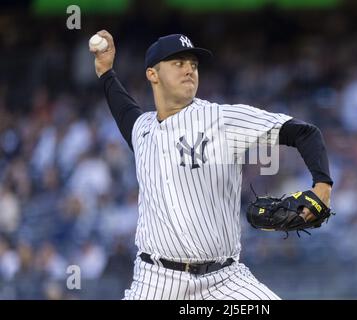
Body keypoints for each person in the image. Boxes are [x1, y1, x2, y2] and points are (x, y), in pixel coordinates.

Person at [90, 30, 333, 300]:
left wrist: (322, 186)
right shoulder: (143, 129)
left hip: (224, 280)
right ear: (152, 75)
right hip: (154, 281)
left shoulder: (220, 119)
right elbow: (124, 110)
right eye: (178, 63)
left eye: (193, 65)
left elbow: (304, 132)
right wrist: (106, 72)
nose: (189, 71)